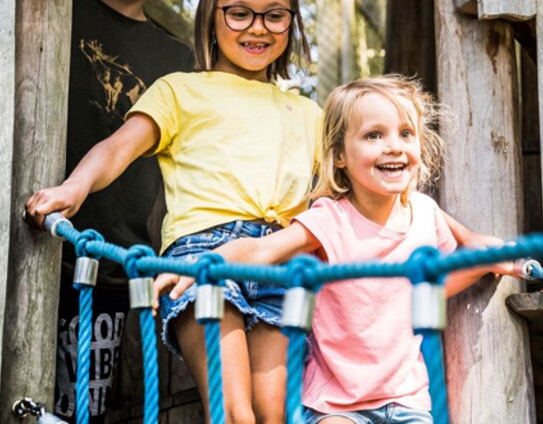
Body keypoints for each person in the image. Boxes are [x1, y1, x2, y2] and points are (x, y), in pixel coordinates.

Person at [26, 0, 322, 423]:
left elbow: (333, 195)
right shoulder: (180, 90)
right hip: (201, 257)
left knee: (277, 414)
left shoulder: (308, 112)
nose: (258, 28)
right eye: (240, 13)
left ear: (292, 22)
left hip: (279, 259)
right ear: (212, 18)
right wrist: (73, 189)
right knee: (234, 413)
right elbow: (118, 148)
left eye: (274, 15)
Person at [153, 75, 516, 424]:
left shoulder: (424, 213)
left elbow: (432, 284)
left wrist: (488, 261)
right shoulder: (330, 219)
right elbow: (262, 250)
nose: (394, 145)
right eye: (373, 135)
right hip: (336, 403)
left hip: (407, 398)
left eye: (406, 133)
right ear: (340, 155)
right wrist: (201, 264)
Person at [48, 0, 197, 420]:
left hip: (112, 264)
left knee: (82, 409)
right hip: (33, 242)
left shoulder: (179, 59)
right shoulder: (52, 11)